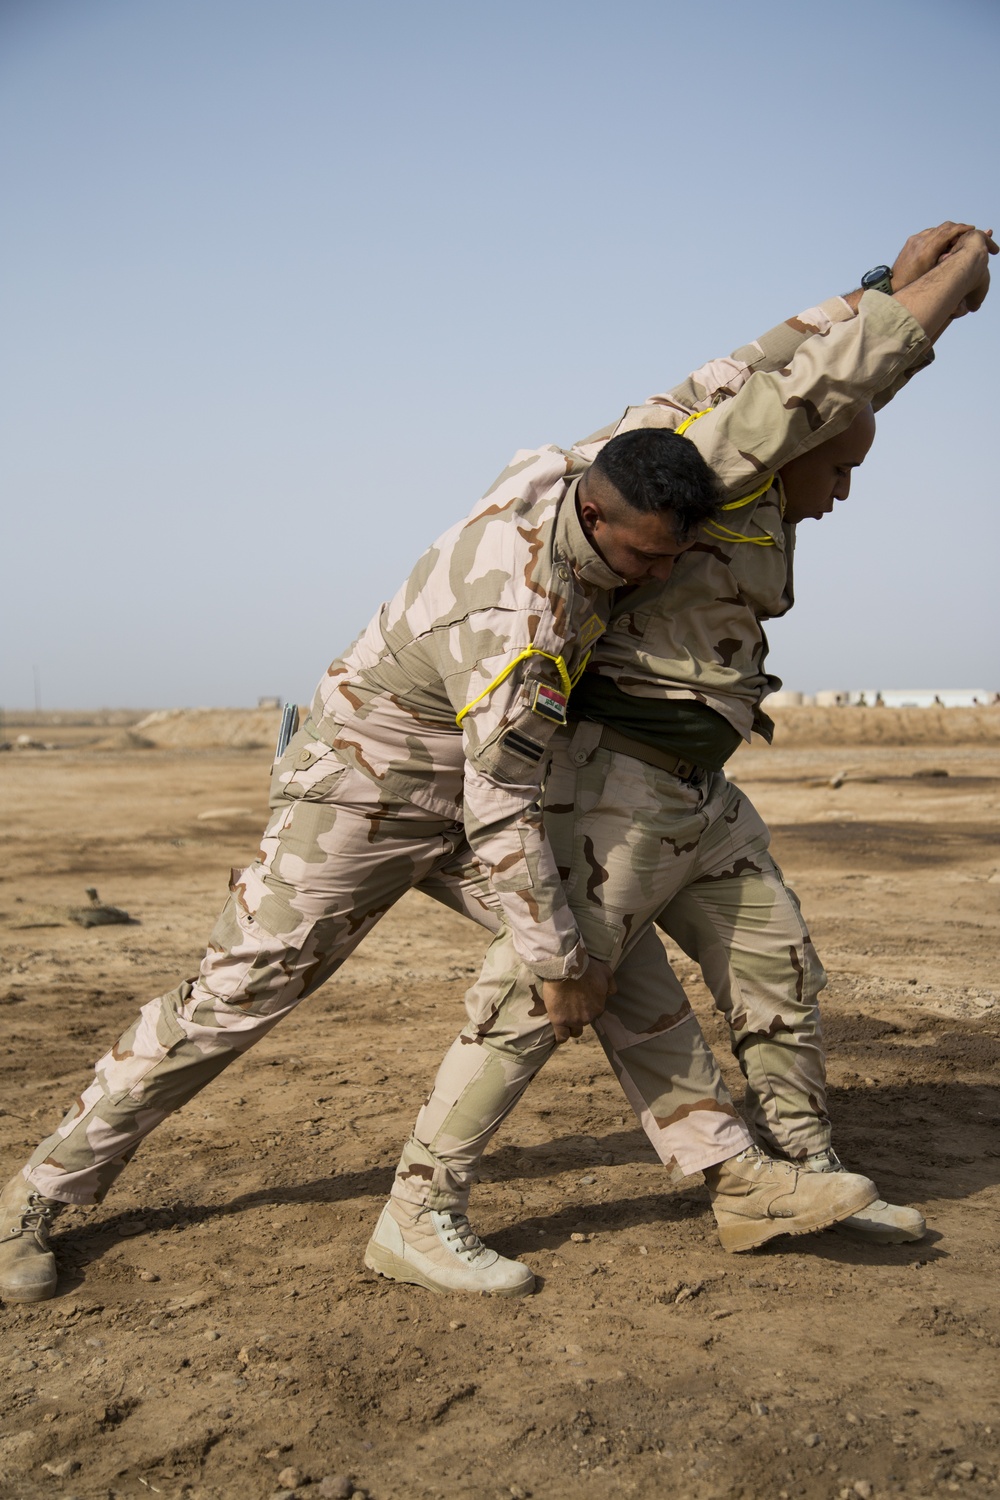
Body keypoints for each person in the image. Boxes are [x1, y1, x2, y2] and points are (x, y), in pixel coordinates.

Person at [367, 223, 996, 1296]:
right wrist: (936, 303)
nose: (841, 492)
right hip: (608, 792)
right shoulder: (715, 472)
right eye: (836, 469)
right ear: (789, 451)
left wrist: (871, 286)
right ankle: (418, 1210)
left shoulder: (764, 500)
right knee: (534, 997)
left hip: (702, 794)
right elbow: (802, 393)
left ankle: (798, 1175)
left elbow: (774, 355)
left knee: (778, 969)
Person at [0, 418, 722, 1304]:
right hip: (358, 797)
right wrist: (553, 963)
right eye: (644, 556)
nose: (656, 576)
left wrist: (889, 292)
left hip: (459, 784)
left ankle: (734, 1169)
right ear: (596, 510)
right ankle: (35, 1197)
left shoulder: (558, 468)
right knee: (231, 999)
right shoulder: (518, 616)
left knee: (611, 941)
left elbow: (721, 388)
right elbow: (503, 809)